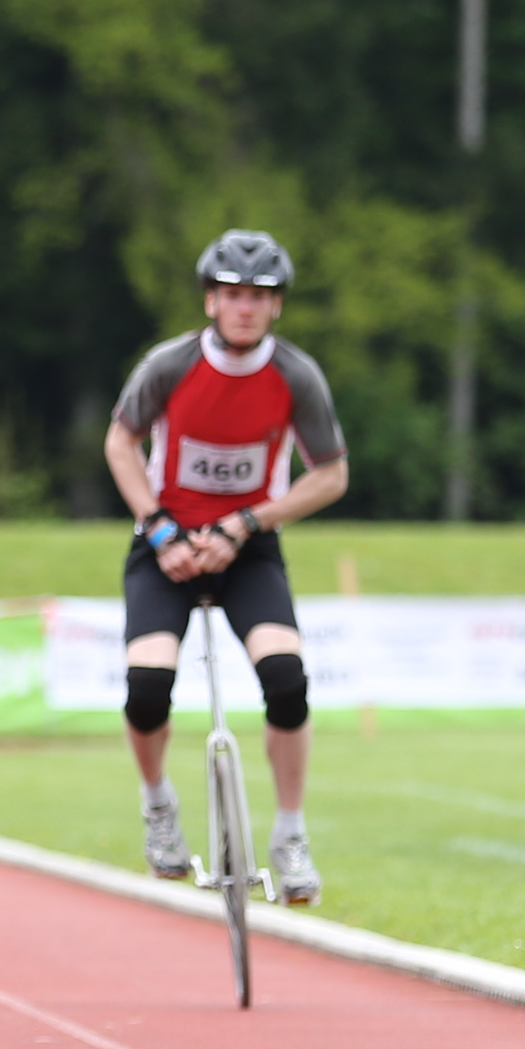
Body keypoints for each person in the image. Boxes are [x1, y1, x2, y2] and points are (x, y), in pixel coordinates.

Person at [102, 229, 347, 902]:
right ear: (211, 300)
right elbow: (121, 441)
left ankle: (291, 836)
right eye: (233, 295)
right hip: (165, 546)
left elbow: (330, 475)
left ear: (277, 308)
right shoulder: (169, 365)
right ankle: (158, 807)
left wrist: (248, 521)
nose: (245, 307)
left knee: (287, 677)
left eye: (260, 297)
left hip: (248, 548)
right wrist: (158, 527)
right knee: (148, 683)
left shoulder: (296, 376)